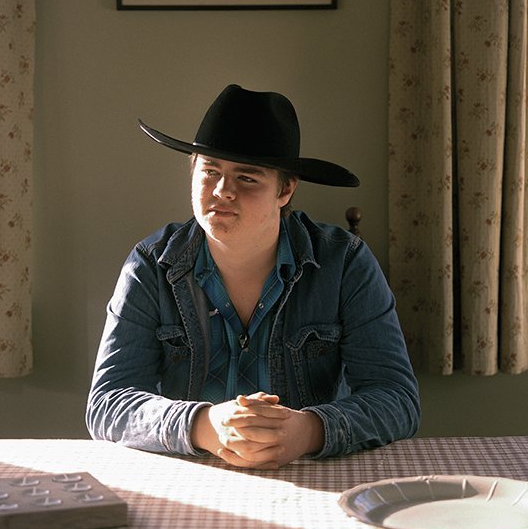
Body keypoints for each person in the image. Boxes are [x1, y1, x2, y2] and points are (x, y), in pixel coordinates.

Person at [86, 84, 420, 469]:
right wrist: (204, 426)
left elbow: (397, 398)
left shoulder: (345, 262)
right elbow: (108, 402)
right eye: (210, 171)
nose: (222, 191)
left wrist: (309, 431)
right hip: (189, 477)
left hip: (314, 477)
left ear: (286, 189)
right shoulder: (150, 265)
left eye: (247, 178)